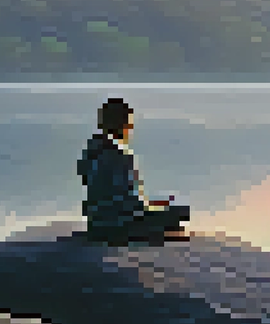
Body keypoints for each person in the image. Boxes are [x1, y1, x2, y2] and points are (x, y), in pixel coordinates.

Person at [77, 97, 189, 245]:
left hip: (98, 223)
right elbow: (128, 202)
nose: (130, 129)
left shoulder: (92, 154)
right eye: (128, 123)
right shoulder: (117, 154)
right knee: (179, 212)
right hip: (118, 224)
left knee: (168, 210)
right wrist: (153, 208)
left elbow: (110, 194)